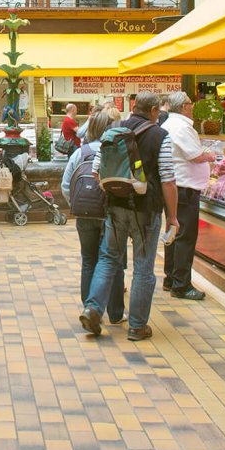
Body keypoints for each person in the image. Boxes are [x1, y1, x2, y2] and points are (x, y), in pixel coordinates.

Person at [80, 92, 178, 341]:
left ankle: (93, 309)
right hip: (146, 210)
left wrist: (115, 191)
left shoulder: (114, 130)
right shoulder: (160, 136)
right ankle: (137, 326)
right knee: (143, 267)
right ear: (155, 110)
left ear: (134, 107)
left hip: (115, 207)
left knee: (108, 258)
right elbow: (168, 180)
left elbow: (95, 171)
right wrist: (173, 217)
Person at [61, 110, 124, 324]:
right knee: (112, 261)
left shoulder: (80, 152)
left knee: (88, 260)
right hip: (110, 214)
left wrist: (76, 204)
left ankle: (89, 306)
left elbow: (65, 185)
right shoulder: (115, 151)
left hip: (84, 215)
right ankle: (115, 313)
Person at [161, 92, 210, 300]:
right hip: (184, 189)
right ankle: (181, 285)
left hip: (175, 188)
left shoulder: (169, 125)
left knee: (173, 232)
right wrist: (211, 155)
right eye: (190, 104)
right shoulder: (181, 126)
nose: (192, 107)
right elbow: (196, 156)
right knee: (185, 237)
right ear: (183, 107)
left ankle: (170, 277)